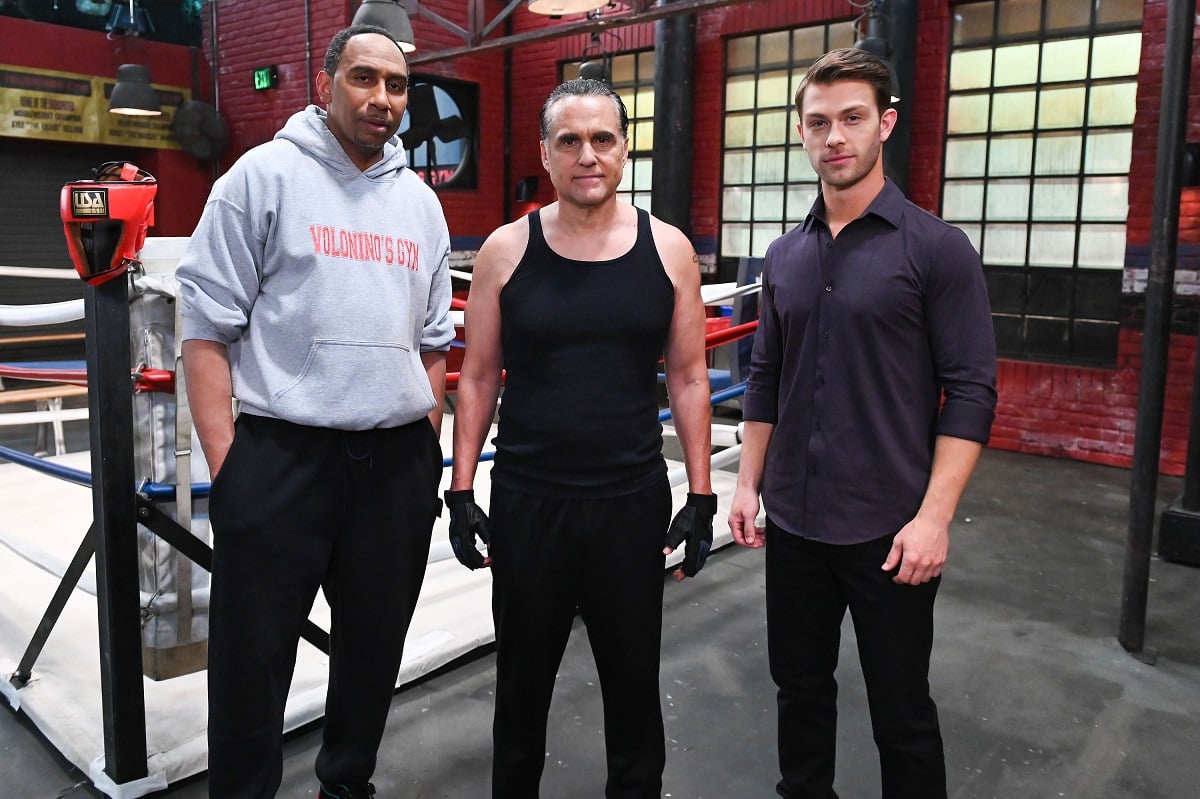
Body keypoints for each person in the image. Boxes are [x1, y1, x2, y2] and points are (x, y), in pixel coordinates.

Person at [175, 25, 452, 799]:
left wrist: (423, 443)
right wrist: (232, 468)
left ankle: (345, 787)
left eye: (397, 86)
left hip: (393, 466)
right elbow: (205, 331)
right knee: (249, 664)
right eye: (365, 78)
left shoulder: (421, 207)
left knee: (371, 654)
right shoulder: (260, 178)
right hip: (280, 459)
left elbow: (434, 343)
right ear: (325, 80)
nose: (382, 99)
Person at [727, 48, 997, 799]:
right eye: (818, 123)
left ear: (885, 123)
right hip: (796, 524)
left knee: (902, 712)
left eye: (851, 119)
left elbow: (971, 391)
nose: (834, 137)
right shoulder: (785, 255)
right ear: (802, 134)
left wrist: (934, 518)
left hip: (891, 530)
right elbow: (767, 377)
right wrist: (748, 484)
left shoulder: (936, 250)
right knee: (800, 693)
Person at [446, 78, 717, 799]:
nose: (586, 155)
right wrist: (461, 488)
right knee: (521, 693)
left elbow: (690, 378)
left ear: (625, 150)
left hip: (628, 503)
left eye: (602, 139)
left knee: (633, 692)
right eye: (569, 140)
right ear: (546, 151)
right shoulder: (506, 250)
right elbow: (476, 377)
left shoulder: (669, 250)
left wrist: (701, 494)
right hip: (530, 503)